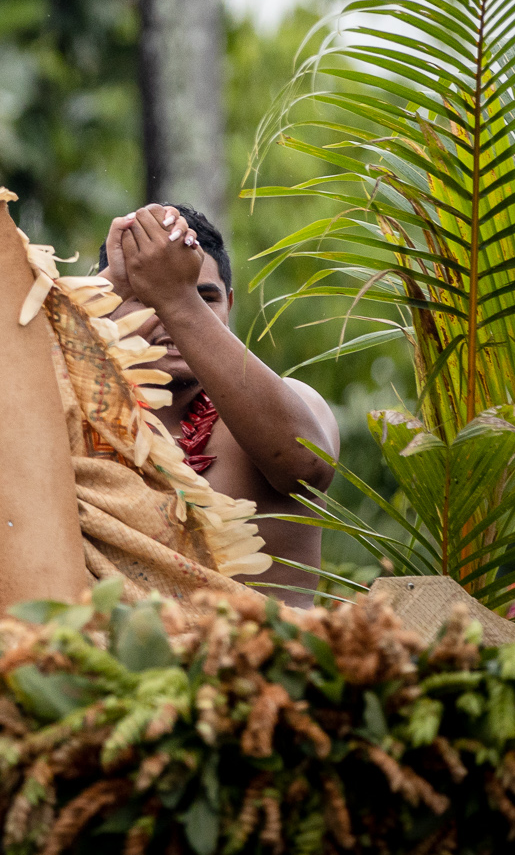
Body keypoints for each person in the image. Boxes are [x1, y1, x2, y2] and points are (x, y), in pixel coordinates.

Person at [101, 204, 340, 605]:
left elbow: (305, 468)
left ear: (228, 305)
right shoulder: (81, 418)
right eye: (144, 298)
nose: (167, 315)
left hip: (262, 644)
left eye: (204, 298)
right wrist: (107, 284)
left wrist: (177, 298)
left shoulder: (295, 402)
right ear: (109, 305)